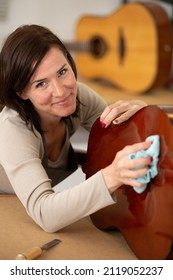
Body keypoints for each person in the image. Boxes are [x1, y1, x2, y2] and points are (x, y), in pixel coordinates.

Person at [0, 24, 152, 233]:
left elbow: (122, 140)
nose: (61, 91)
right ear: (22, 93)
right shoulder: (13, 129)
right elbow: (45, 214)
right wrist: (112, 177)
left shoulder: (79, 97)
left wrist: (144, 114)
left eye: (62, 71)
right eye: (41, 84)